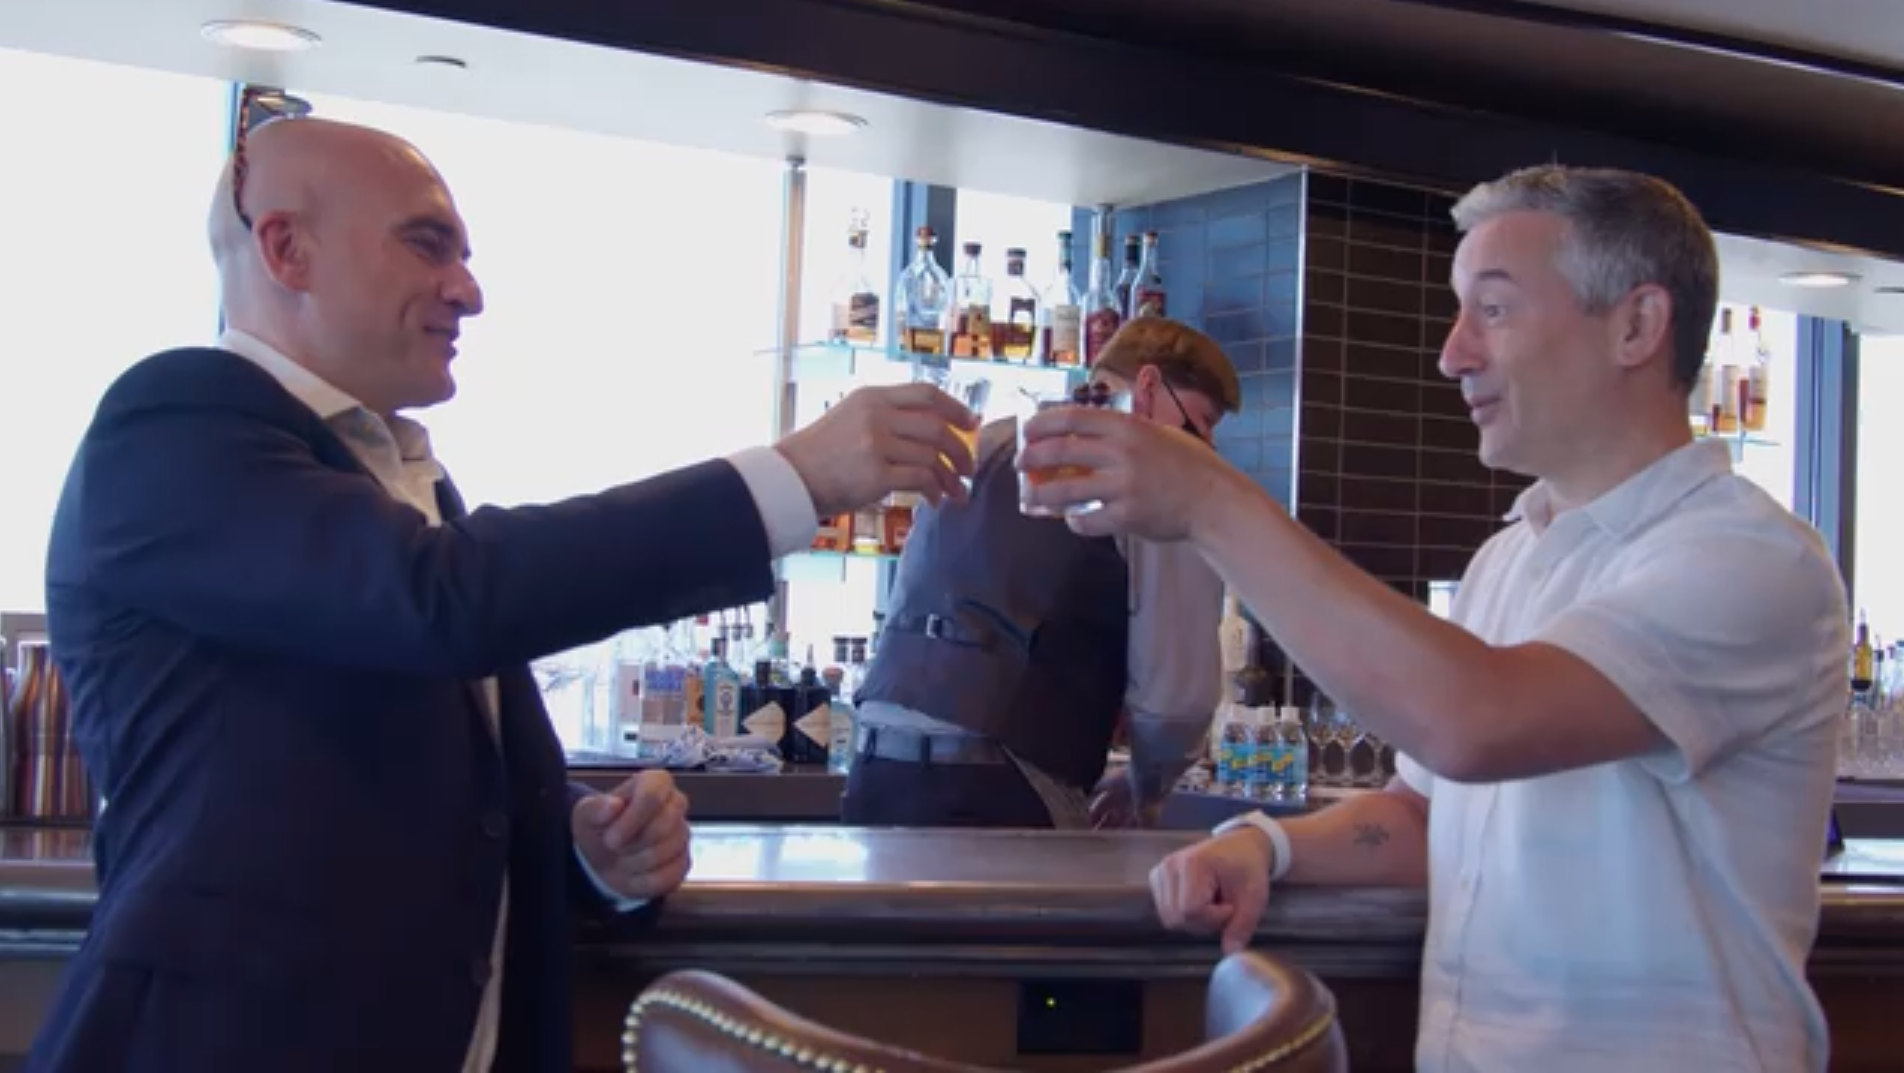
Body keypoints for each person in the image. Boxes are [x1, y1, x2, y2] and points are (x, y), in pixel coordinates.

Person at [26, 117, 977, 1073]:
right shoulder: (170, 426)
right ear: (286, 248)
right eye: (426, 243)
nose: (468, 292)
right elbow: (440, 599)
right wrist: (790, 478)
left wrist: (581, 843)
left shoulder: (399, 479)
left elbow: (394, 779)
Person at [1018, 166, 1849, 1070]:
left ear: (1637, 326)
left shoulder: (1750, 559)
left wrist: (1211, 502)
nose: (1453, 353)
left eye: (1492, 309)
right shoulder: (1508, 558)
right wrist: (1268, 845)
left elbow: (1477, 722)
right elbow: (1426, 812)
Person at [847, 318, 1238, 829]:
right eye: (1202, 422)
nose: (1205, 448)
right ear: (1147, 387)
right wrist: (1146, 781)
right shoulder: (1147, 471)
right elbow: (1174, 702)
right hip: (999, 781)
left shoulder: (989, 442)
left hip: (874, 760)